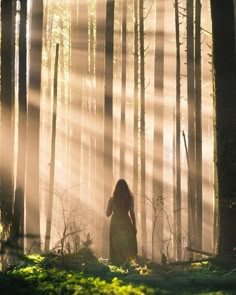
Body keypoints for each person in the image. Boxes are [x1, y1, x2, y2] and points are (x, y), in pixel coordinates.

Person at [106, 179, 138, 265]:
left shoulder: (112, 198)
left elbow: (107, 214)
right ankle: (127, 263)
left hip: (115, 222)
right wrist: (134, 226)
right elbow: (132, 213)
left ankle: (116, 263)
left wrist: (112, 207)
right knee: (127, 243)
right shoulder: (130, 198)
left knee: (116, 243)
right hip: (126, 221)